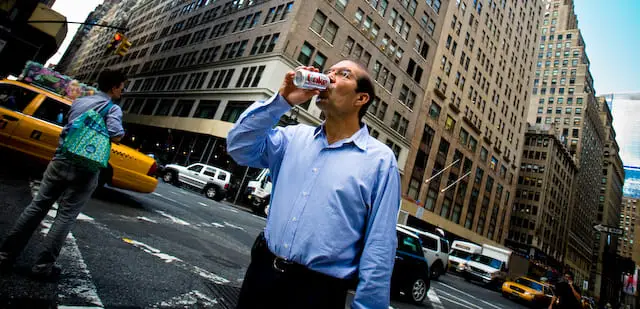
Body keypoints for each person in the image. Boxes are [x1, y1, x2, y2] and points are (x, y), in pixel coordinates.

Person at [227, 61, 401, 309]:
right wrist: (282, 101)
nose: (329, 77)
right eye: (328, 72)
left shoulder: (380, 161)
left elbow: (380, 244)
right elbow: (239, 147)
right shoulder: (293, 138)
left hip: (317, 292)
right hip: (261, 275)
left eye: (343, 75)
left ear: (361, 98)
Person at [0, 70, 126, 278]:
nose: (123, 90)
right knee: (66, 215)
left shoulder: (80, 102)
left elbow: (71, 123)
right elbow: (117, 135)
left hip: (62, 157)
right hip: (86, 166)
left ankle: (5, 255)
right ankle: (42, 267)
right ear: (114, 87)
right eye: (122, 86)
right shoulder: (112, 108)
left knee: (37, 206)